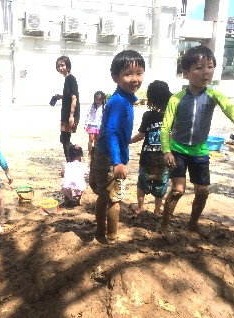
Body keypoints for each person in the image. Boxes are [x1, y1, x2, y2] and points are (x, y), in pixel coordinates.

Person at [160, 45, 234, 235]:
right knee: (178, 190)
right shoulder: (176, 99)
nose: (206, 72)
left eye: (209, 67)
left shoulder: (213, 95)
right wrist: (166, 150)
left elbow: (228, 106)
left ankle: (193, 223)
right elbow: (165, 128)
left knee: (202, 191)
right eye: (199, 67)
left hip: (200, 151)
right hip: (177, 150)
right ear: (186, 73)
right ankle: (165, 224)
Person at [89, 50, 145, 243]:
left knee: (104, 196)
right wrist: (117, 162)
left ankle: (99, 232)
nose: (135, 79)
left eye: (139, 73)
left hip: (103, 153)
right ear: (116, 77)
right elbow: (112, 132)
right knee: (114, 199)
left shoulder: (123, 99)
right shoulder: (120, 102)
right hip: (110, 157)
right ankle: (112, 237)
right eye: (128, 74)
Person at [130, 80, 172, 217]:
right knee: (161, 185)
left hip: (147, 157)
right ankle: (157, 211)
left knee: (142, 183)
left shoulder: (148, 115)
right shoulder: (172, 115)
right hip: (164, 157)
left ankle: (140, 207)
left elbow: (141, 135)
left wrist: (127, 142)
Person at [55, 55, 80, 162]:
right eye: (59, 65)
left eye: (63, 65)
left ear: (68, 66)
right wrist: (61, 96)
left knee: (65, 139)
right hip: (66, 113)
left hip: (70, 115)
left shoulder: (71, 79)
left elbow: (74, 98)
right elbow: (69, 96)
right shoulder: (67, 79)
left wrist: (71, 116)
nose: (60, 68)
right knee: (64, 138)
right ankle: (72, 159)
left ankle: (72, 160)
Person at [84, 91, 105, 161]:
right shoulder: (92, 106)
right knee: (91, 139)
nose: (98, 101)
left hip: (99, 125)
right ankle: (89, 153)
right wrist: (86, 123)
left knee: (97, 140)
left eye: (100, 99)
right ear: (94, 99)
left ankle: (95, 152)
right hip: (92, 124)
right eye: (97, 99)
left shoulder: (103, 107)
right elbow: (88, 115)